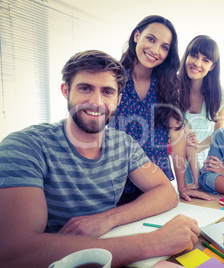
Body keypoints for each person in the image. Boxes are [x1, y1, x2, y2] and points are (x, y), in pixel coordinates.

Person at [0, 50, 200, 267]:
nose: (96, 101)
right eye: (85, 88)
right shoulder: (24, 146)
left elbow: (166, 192)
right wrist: (154, 242)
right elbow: (14, 251)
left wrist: (107, 218)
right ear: (65, 91)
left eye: (107, 92)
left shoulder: (125, 144)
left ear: (118, 99)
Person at [109, 15, 212, 203]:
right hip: (115, 182)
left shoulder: (169, 85)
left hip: (156, 184)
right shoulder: (113, 78)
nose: (155, 50)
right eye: (151, 39)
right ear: (137, 36)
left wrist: (182, 187)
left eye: (164, 47)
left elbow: (176, 134)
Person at [172, 35, 224, 196]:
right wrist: (192, 145)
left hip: (205, 158)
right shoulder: (173, 86)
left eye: (205, 60)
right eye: (194, 56)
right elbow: (179, 126)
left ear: (211, 66)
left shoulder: (220, 94)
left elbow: (219, 132)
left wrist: (199, 147)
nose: (197, 63)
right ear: (186, 56)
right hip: (179, 161)